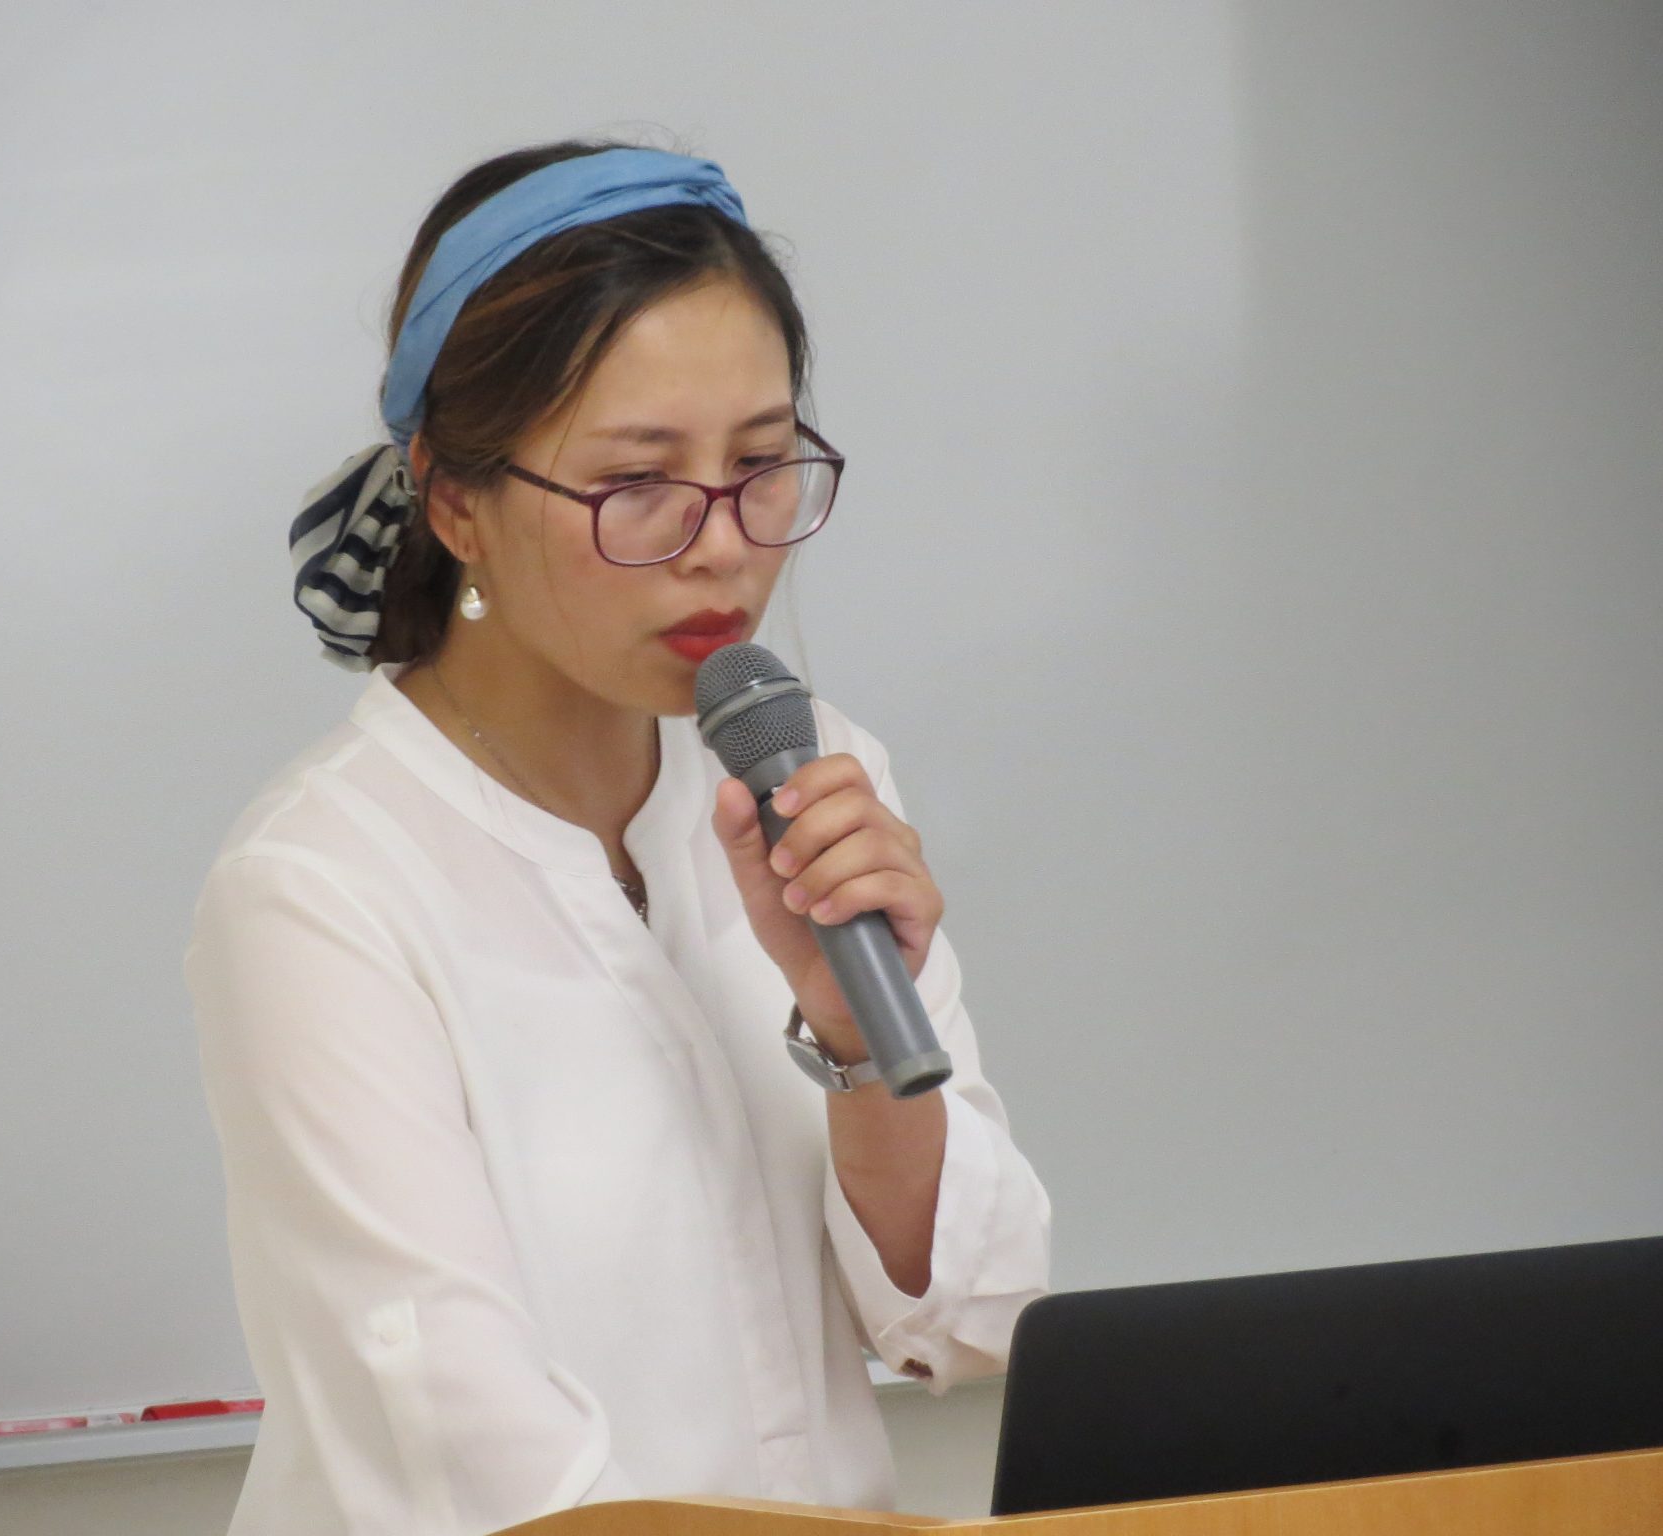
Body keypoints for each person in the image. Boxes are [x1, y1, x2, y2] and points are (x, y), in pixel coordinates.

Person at [183, 139, 1052, 1536]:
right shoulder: (321, 890)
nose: (725, 544)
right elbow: (487, 1474)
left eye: (761, 464)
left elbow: (972, 1315)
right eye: (639, 480)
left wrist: (854, 1047)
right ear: (455, 500)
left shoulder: (807, 775)